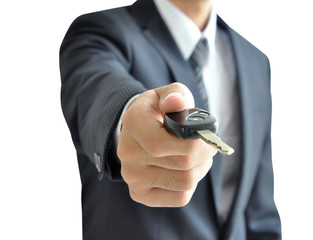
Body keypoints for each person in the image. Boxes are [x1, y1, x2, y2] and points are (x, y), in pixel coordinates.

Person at [60, 0, 281, 239]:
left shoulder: (256, 61)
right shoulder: (99, 31)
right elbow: (99, 91)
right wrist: (128, 119)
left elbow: (260, 216)